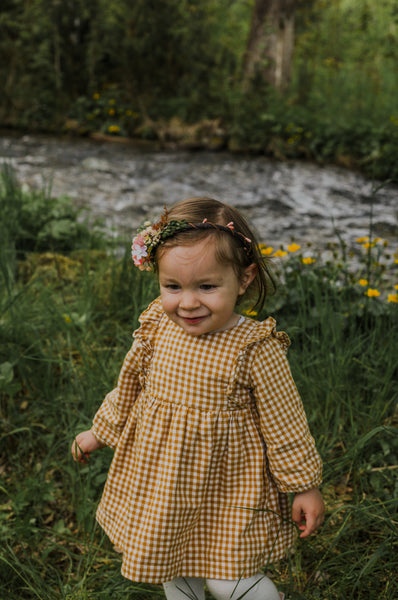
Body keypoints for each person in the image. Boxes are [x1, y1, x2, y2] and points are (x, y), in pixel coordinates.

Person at [71, 198, 324, 600]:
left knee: (231, 581)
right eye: (173, 286)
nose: (187, 302)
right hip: (163, 479)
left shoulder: (255, 347)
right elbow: (130, 385)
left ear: (243, 279)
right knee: (171, 560)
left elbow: (285, 422)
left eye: (207, 286)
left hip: (230, 485)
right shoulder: (157, 324)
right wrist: (100, 431)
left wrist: (304, 486)